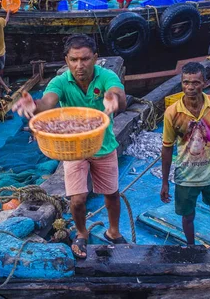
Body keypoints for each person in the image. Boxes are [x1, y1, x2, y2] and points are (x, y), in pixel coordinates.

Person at [12, 34, 128, 259]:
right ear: (66, 60)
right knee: (77, 199)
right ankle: (82, 233)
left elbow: (117, 94)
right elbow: (47, 103)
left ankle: (114, 231)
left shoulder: (106, 76)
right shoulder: (60, 82)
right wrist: (33, 105)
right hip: (73, 148)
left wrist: (114, 100)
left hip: (103, 145)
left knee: (112, 194)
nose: (79, 65)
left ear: (95, 58)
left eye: (85, 59)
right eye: (74, 60)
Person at [161, 62, 210, 245]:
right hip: (185, 176)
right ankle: (191, 247)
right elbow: (167, 147)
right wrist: (165, 181)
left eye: (195, 83)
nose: (190, 87)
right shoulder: (172, 112)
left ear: (204, 82)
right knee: (187, 217)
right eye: (186, 82)